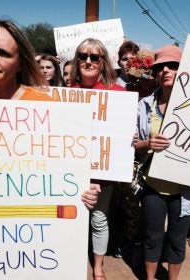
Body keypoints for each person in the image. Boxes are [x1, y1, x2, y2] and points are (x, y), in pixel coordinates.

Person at [0, 18, 100, 279]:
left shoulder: (42, 102)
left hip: (30, 236)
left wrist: (84, 189)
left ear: (20, 62)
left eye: (3, 53)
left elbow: (63, 161)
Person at [135, 44, 190, 280]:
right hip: (153, 184)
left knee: (176, 239)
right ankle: (151, 278)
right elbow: (131, 143)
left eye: (172, 66)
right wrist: (148, 143)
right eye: (160, 67)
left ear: (182, 71)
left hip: (184, 191)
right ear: (154, 72)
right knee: (153, 237)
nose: (165, 70)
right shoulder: (144, 105)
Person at [70, 37, 125, 279]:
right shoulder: (65, 94)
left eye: (94, 57)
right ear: (76, 60)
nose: (88, 61)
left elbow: (122, 137)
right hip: (71, 171)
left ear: (103, 62)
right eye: (83, 56)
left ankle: (98, 266)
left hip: (103, 173)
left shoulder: (119, 94)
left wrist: (129, 135)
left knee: (99, 220)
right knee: (71, 218)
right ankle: (68, 259)